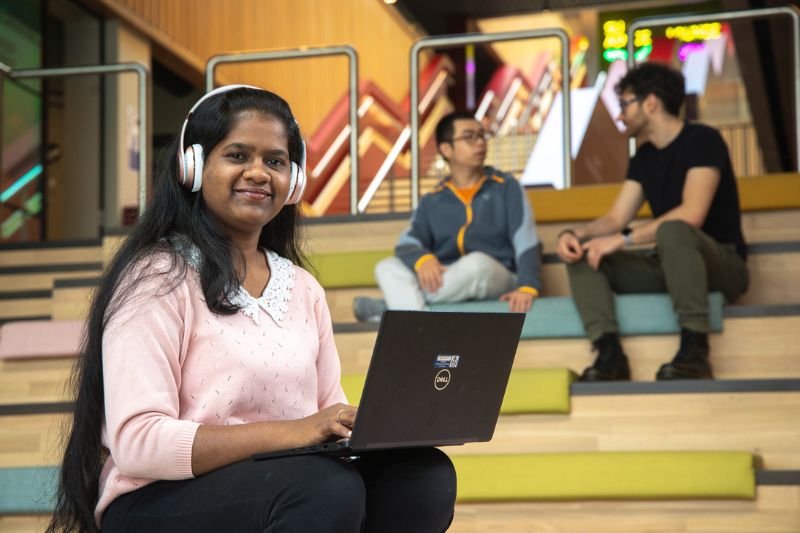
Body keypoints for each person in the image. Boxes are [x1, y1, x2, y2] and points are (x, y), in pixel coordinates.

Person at [47, 86, 456, 533]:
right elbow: (138, 444)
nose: (258, 173)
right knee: (321, 487)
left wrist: (366, 425)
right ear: (194, 167)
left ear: (294, 181)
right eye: (238, 155)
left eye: (275, 161)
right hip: (156, 499)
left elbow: (327, 408)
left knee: (423, 477)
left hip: (287, 480)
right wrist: (297, 432)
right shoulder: (156, 277)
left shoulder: (303, 288)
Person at [555, 62, 749, 382]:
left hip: (722, 264)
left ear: (650, 102)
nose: (619, 115)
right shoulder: (643, 157)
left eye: (624, 105)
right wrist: (574, 234)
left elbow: (692, 214)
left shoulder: (703, 140)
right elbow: (617, 217)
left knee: (674, 229)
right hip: (671, 262)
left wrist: (624, 239)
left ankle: (695, 351)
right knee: (583, 254)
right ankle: (609, 355)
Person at [354, 111, 543, 321]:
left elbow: (526, 240)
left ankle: (390, 308)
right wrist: (423, 260)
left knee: (477, 264)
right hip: (449, 278)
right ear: (446, 149)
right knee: (387, 267)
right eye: (469, 137)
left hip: (494, 274)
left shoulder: (506, 187)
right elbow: (407, 244)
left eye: (482, 135)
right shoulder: (433, 199)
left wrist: (527, 286)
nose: (480, 142)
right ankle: (418, 326)